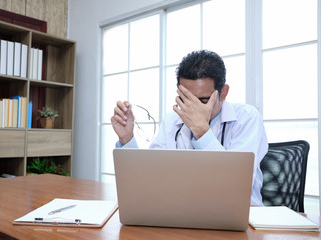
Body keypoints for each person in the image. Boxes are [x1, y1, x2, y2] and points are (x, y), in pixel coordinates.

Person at [111, 50, 268, 206]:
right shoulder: (172, 121)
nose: (194, 108)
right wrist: (127, 139)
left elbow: (235, 187)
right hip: (181, 213)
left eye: (204, 100)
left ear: (224, 92)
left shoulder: (247, 118)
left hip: (242, 219)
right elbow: (149, 180)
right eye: (186, 99)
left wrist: (201, 130)